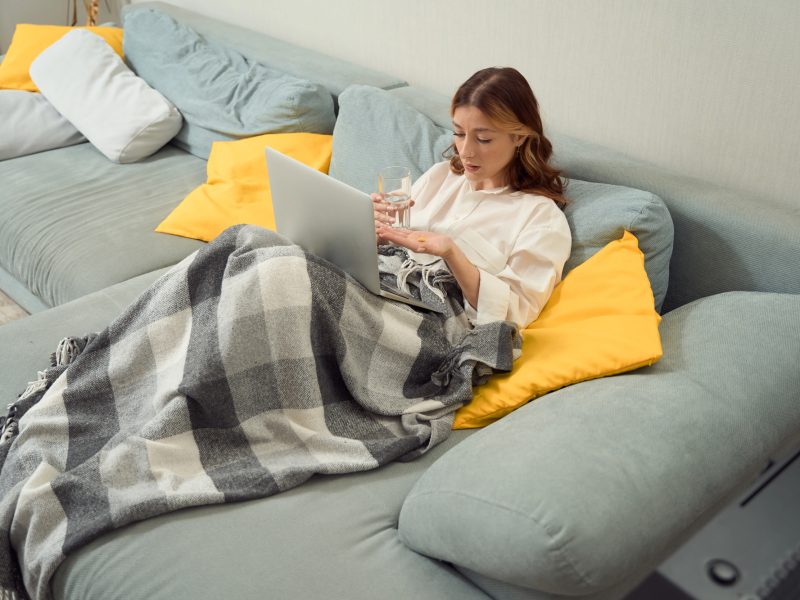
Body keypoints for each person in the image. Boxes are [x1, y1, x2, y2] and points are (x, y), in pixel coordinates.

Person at [374, 67, 572, 330]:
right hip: (380, 291)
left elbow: (514, 314)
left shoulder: (541, 218)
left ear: (520, 136)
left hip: (429, 326)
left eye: (483, 139)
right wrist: (372, 231)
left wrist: (452, 254)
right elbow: (387, 248)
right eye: (458, 133)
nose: (466, 151)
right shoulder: (440, 176)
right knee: (301, 267)